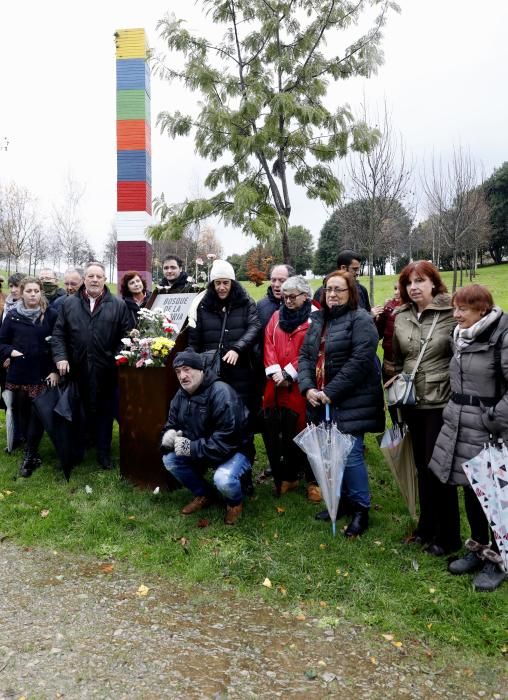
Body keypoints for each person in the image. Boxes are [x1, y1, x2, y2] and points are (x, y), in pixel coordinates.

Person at [428, 285, 507, 592]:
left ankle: (498, 560)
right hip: (461, 425)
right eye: (455, 308)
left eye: (463, 309)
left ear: (482, 310)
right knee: (472, 491)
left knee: (495, 499)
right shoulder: (461, 337)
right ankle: (478, 548)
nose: (456, 314)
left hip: (490, 429)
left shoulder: (501, 337)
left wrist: (492, 418)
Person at [299, 270, 385, 537]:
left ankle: (361, 509)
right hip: (320, 398)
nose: (333, 295)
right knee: (331, 454)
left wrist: (331, 391)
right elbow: (305, 355)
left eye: (339, 290)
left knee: (350, 455)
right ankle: (342, 502)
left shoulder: (361, 320)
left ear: (352, 294)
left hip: (351, 399)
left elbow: (360, 361)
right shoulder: (318, 320)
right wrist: (307, 387)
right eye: (328, 289)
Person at [392, 260, 461, 556]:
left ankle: (449, 537)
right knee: (421, 466)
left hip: (440, 401)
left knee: (439, 469)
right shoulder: (401, 315)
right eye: (409, 282)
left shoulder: (451, 313)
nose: (414, 287)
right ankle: (426, 527)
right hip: (410, 401)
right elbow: (396, 356)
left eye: (420, 281)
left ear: (434, 282)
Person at [51, 262, 133, 469]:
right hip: (77, 370)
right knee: (78, 412)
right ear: (84, 279)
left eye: (99, 276)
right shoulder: (69, 304)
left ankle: (104, 454)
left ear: (105, 280)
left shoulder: (118, 305)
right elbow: (59, 334)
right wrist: (61, 357)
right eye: (91, 276)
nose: (95, 280)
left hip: (107, 370)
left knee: (105, 413)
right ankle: (78, 451)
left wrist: (116, 360)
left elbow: (126, 337)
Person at [161, 350, 253, 525]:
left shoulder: (221, 393)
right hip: (202, 449)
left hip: (236, 450)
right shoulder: (180, 395)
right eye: (178, 372)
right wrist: (168, 435)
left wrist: (191, 448)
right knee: (170, 459)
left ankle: (235, 503)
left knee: (223, 479)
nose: (182, 376)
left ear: (200, 369)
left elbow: (227, 440)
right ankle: (204, 494)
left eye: (186, 369)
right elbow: (171, 423)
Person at [262, 275, 320, 500]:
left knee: (307, 431)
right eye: (284, 297)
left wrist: (289, 373)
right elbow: (268, 342)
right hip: (277, 385)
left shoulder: (316, 318)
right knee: (284, 432)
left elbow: (313, 350)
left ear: (305, 296)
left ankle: (314, 480)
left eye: (292, 297)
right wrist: (275, 372)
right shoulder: (276, 316)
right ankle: (290, 476)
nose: (287, 301)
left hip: (303, 385)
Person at [187, 259, 261, 419]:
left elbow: (254, 327)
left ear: (232, 282)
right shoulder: (201, 304)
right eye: (217, 283)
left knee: (242, 412)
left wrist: (237, 348)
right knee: (215, 412)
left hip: (240, 369)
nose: (221, 287)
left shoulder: (246, 301)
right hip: (211, 369)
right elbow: (194, 339)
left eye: (226, 283)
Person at [0, 277, 59, 477]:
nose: (33, 294)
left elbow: (57, 343)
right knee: (23, 412)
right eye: (29, 291)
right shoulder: (13, 316)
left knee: (38, 413)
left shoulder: (50, 315)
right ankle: (29, 448)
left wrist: (54, 369)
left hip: (42, 372)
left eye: (36, 291)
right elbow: (2, 342)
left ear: (40, 292)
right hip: (19, 373)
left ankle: (30, 453)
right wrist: (10, 352)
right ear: (22, 293)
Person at [375, 283, 402, 426]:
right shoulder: (389, 308)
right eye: (395, 288)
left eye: (400, 288)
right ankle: (399, 437)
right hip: (389, 365)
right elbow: (377, 334)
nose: (397, 292)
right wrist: (376, 318)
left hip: (409, 367)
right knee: (393, 404)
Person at [257, 264, 296, 331]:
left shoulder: (299, 304)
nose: (276, 285)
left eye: (282, 280)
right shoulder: (260, 305)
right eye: (273, 280)